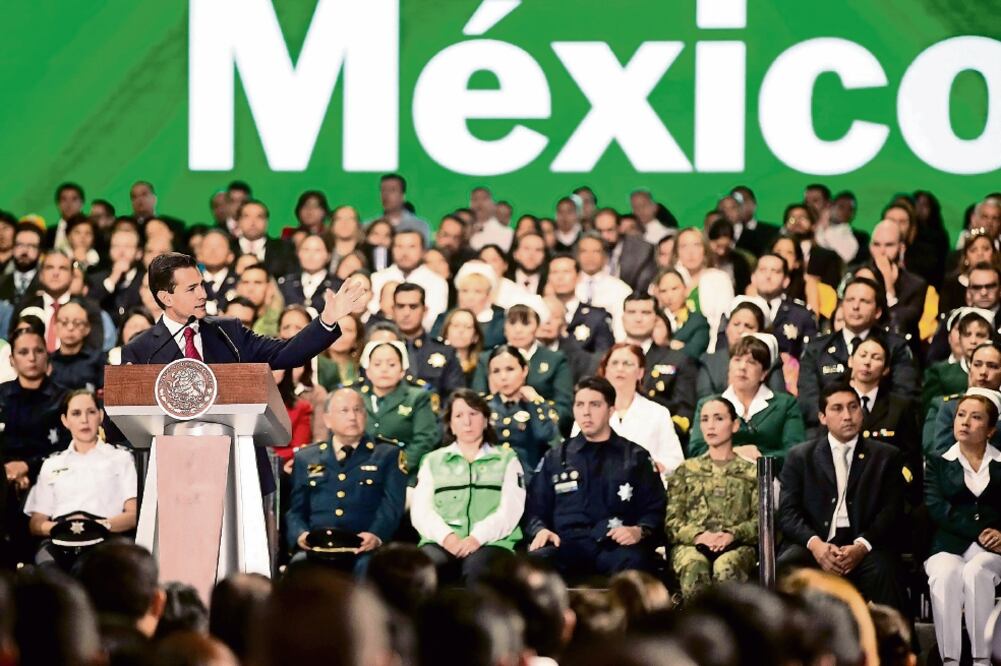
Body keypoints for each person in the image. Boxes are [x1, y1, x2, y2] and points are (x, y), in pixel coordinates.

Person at [778, 382, 909, 613]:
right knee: (787, 566)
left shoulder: (886, 456)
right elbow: (788, 513)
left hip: (865, 543)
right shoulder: (800, 457)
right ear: (822, 417)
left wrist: (861, 546)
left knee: (886, 570)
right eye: (837, 409)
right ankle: (783, 647)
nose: (847, 416)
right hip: (814, 542)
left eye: (853, 407)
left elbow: (892, 510)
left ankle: (897, 646)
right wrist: (816, 545)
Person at [526, 377, 666, 578]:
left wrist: (639, 530)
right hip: (566, 545)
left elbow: (656, 508)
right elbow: (535, 508)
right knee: (534, 563)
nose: (586, 412)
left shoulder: (636, 457)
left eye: (595, 404)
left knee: (638, 563)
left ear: (610, 410)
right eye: (580, 404)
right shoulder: (556, 457)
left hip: (616, 547)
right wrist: (540, 530)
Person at [286, 388, 407, 575]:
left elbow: (392, 505)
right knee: (298, 566)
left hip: (364, 546)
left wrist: (376, 535)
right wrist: (300, 534)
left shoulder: (387, 454)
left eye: (358, 410)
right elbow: (296, 510)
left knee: (367, 568)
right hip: (318, 546)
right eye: (344, 411)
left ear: (365, 416)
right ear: (327, 419)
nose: (352, 416)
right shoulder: (306, 457)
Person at [412, 389, 525, 584]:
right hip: (441, 543)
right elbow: (421, 511)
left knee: (479, 570)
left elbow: (510, 511)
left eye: (473, 414)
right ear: (450, 425)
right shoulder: (432, 460)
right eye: (459, 415)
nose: (467, 422)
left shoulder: (507, 459)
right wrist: (448, 538)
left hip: (491, 542)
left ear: (486, 420)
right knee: (422, 570)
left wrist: (476, 538)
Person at [924, 389, 1001, 666]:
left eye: (976, 417)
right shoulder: (937, 462)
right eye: (961, 415)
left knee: (977, 571)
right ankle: (950, 661)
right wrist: (978, 530)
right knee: (945, 574)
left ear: (991, 430)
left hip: (994, 549)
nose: (965, 422)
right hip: (948, 544)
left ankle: (982, 660)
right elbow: (937, 508)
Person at [24, 389, 137, 564]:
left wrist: (96, 527)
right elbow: (36, 523)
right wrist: (65, 529)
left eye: (91, 412)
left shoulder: (121, 458)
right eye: (76, 414)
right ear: (65, 420)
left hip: (106, 538)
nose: (84, 420)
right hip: (59, 539)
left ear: (100, 415)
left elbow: (133, 515)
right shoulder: (52, 464)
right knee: (46, 568)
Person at [666, 396, 758, 599]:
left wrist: (732, 534)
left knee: (726, 566)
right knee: (694, 564)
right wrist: (699, 536)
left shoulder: (751, 471)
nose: (711, 426)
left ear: (734, 425)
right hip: (691, 545)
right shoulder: (686, 470)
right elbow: (672, 522)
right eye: (705, 419)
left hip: (738, 545)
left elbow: (761, 522)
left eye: (718, 418)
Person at [797, 276, 918, 428]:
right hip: (827, 432)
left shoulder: (895, 346)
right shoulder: (817, 348)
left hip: (881, 432)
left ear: (878, 311)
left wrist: (861, 424)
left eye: (864, 301)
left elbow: (904, 395)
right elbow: (808, 400)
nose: (855, 306)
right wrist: (840, 425)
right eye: (849, 300)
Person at [689, 334, 805, 461]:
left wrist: (760, 458)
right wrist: (733, 453)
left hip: (770, 476)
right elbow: (696, 450)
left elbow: (795, 451)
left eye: (751, 362)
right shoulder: (708, 404)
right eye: (737, 360)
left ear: (764, 373)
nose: (742, 367)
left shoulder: (786, 404)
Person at [344, 340, 437, 480]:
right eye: (377, 364)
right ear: (367, 371)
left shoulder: (417, 397)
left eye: (392, 364)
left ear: (402, 371)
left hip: (403, 474)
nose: (384, 369)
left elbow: (424, 439)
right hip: (357, 473)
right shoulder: (354, 396)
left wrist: (397, 466)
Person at [472, 304, 573, 432]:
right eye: (512, 323)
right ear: (504, 327)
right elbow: (476, 402)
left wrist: (537, 402)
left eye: (525, 323)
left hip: (540, 433)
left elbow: (564, 409)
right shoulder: (486, 359)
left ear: (537, 326)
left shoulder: (555, 360)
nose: (518, 330)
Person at [587, 343, 683, 475]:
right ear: (605, 370)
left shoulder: (658, 413)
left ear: (640, 372)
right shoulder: (589, 411)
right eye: (614, 363)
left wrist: (654, 467)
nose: (620, 368)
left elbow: (675, 461)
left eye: (627, 364)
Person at [847, 336, 922, 498]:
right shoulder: (836, 402)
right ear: (850, 361)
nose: (867, 362)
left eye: (876, 358)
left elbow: (911, 458)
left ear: (886, 369)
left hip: (887, 491)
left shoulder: (900, 406)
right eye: (863, 355)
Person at [620, 292, 697, 437]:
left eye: (645, 312)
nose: (638, 318)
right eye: (631, 312)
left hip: (659, 438)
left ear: (656, 319)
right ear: (622, 318)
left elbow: (685, 411)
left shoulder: (678, 359)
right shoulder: (605, 359)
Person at [484, 345, 562, 477]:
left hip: (529, 480)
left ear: (524, 370)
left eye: (510, 369)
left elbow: (545, 436)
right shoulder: (484, 407)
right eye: (496, 371)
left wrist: (534, 402)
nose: (503, 377)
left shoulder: (539, 406)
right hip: (491, 478)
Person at [388, 283, 466, 398]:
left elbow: (455, 397)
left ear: (424, 310)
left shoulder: (445, 351)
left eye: (413, 307)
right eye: (400, 306)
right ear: (393, 310)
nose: (406, 313)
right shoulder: (382, 349)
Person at [699, 297, 788, 396]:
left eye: (748, 326)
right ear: (727, 328)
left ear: (760, 333)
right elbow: (705, 402)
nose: (741, 330)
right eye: (736, 324)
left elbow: (779, 401)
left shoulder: (771, 362)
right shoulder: (709, 361)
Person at [925, 343, 1001, 457]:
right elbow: (936, 452)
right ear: (969, 369)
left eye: (992, 366)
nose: (983, 372)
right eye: (977, 364)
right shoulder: (946, 406)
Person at [369, 229, 448, 331]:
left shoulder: (438, 282)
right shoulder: (376, 279)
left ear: (424, 251)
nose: (405, 252)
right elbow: (372, 312)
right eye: (399, 246)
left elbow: (434, 319)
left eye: (412, 247)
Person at [922, 308, 993, 410]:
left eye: (980, 335)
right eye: (967, 334)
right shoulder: (939, 372)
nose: (973, 341)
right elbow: (930, 412)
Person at [545, 255, 615, 355]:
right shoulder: (537, 313)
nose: (560, 277)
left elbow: (605, 356)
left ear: (578, 277)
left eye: (566, 272)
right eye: (555, 272)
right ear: (548, 277)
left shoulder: (596, 317)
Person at [593, 207, 657, 291]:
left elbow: (642, 287)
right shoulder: (587, 249)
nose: (604, 236)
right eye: (599, 231)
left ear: (619, 228)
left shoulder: (642, 251)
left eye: (610, 230)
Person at [653, 268, 710, 359]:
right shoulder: (653, 320)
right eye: (663, 291)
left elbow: (695, 352)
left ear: (686, 289)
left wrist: (668, 344)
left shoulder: (698, 321)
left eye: (674, 289)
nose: (669, 296)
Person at [277, 233, 340, 313]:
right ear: (298, 253)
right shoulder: (285, 283)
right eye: (306, 250)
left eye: (317, 250)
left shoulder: (338, 286)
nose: (311, 255)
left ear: (328, 255)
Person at [235, 200, 296, 277]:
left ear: (266, 221)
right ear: (238, 221)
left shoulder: (284, 248)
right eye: (247, 216)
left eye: (259, 217)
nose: (253, 222)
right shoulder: (227, 247)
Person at [440, 307, 483, 384]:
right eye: (456, 326)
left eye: (468, 327)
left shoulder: (481, 367)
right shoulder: (435, 364)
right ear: (446, 332)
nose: (461, 331)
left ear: (475, 336)